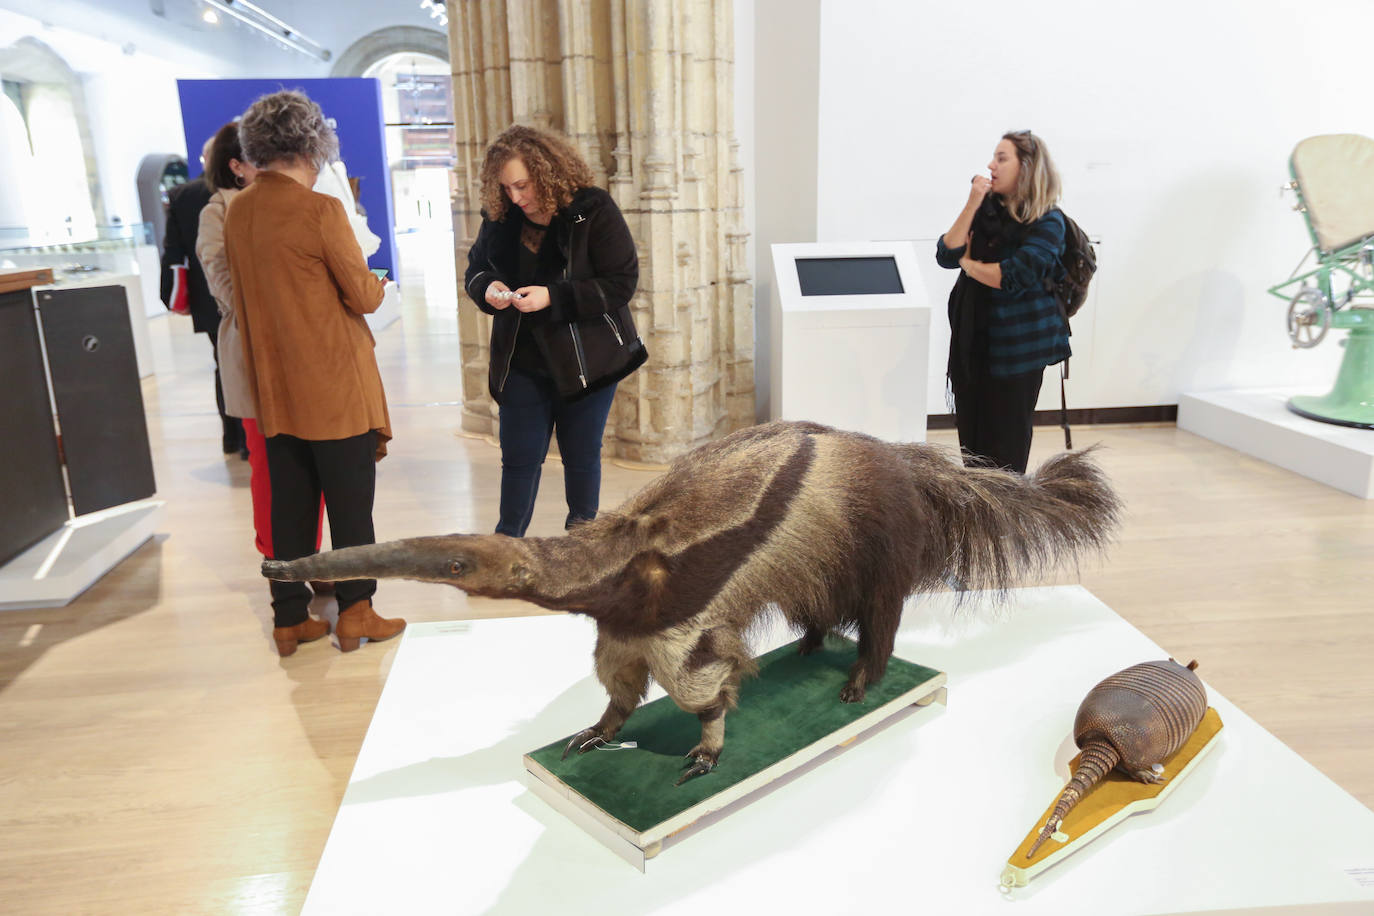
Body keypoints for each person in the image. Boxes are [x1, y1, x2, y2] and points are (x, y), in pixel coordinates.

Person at [224, 89, 404, 656]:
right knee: (351, 506)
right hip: (333, 383)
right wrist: (378, 284)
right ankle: (357, 612)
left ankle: (288, 618)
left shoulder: (239, 211)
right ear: (312, 145)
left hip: (274, 387)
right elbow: (363, 296)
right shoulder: (320, 209)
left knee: (291, 505)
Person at [463, 124, 646, 537]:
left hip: (588, 362)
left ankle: (582, 547)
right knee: (519, 458)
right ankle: (506, 546)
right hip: (522, 358)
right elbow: (476, 268)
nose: (515, 197)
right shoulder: (502, 215)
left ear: (547, 172)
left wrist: (553, 297)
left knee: (581, 457)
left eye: (522, 186)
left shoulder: (592, 209)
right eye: (506, 187)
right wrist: (488, 287)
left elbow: (622, 282)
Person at [196, 120, 326, 569]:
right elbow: (223, 283)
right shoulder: (220, 211)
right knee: (271, 470)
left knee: (315, 465)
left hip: (306, 353)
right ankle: (280, 565)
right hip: (254, 355)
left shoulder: (298, 203)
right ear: (237, 166)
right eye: (259, 157)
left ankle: (308, 560)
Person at [936, 130, 1070, 474]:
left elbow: (1011, 276)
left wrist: (969, 264)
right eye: (993, 157)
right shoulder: (985, 209)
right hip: (973, 347)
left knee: (1006, 451)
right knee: (973, 450)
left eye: (1001, 158)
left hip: (1018, 354)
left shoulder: (1049, 221)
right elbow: (945, 253)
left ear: (1026, 167)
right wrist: (972, 203)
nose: (991, 165)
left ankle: (1007, 522)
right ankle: (982, 519)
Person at [159, 138, 245, 458]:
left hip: (206, 296)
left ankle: (231, 437)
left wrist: (171, 296)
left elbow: (173, 252)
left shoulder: (182, 194)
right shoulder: (243, 194)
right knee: (245, 365)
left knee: (222, 363)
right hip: (242, 292)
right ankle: (250, 439)